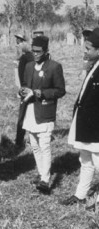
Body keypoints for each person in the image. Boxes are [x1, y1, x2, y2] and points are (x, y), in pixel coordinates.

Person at [20, 35, 66, 194]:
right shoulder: (28, 66)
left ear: (46, 51)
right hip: (31, 111)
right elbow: (25, 84)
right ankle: (41, 173)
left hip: (45, 111)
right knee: (34, 145)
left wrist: (42, 93)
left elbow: (60, 91)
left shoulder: (54, 67)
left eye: (39, 52)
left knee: (45, 145)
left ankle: (45, 179)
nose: (35, 54)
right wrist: (23, 91)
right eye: (33, 51)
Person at [61, 28, 99, 209]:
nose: (85, 51)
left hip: (96, 127)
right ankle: (81, 194)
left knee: (98, 162)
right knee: (85, 160)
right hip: (86, 123)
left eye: (89, 48)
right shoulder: (92, 66)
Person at [14, 35, 34, 148]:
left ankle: (19, 141)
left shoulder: (28, 57)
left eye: (20, 42)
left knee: (23, 116)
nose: (18, 45)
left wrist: (24, 89)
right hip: (25, 89)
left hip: (27, 90)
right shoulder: (25, 57)